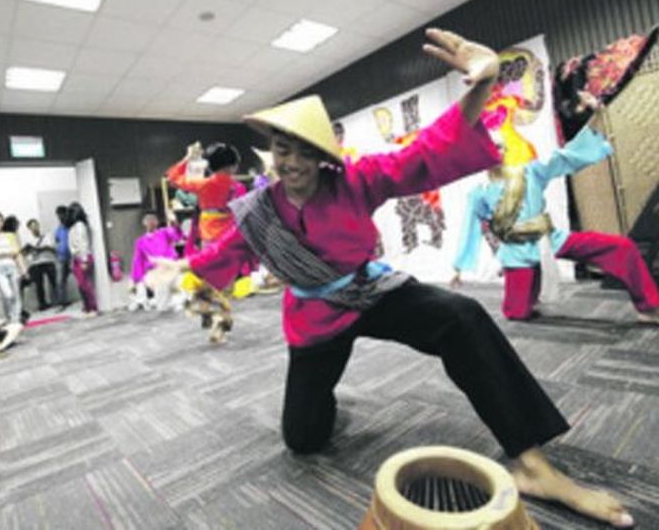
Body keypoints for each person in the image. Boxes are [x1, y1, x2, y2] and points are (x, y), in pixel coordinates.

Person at [151, 29, 634, 528]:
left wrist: (481, 85)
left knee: (461, 316)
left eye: (301, 150)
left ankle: (533, 464)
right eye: (281, 150)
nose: (291, 162)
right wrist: (183, 267)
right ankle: (324, 402)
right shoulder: (258, 210)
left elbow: (424, 153)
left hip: (370, 291)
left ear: (321, 154)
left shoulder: (356, 181)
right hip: (315, 319)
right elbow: (229, 250)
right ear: (272, 154)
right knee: (303, 438)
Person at [451, 91, 659, 324]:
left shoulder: (530, 172)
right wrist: (458, 267)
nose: (496, 152)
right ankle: (530, 292)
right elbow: (470, 227)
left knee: (622, 247)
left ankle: (648, 306)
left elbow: (565, 156)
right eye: (489, 149)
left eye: (500, 147)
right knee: (517, 314)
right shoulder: (479, 192)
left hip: (548, 240)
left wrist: (591, 115)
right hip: (517, 252)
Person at [166, 142, 249, 342]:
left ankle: (209, 312)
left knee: (207, 281)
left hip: (208, 240)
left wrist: (187, 158)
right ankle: (217, 320)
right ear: (233, 166)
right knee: (223, 286)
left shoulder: (203, 185)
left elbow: (173, 177)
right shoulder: (238, 187)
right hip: (229, 241)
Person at [128, 212, 185, 312]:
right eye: (148, 221)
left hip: (170, 265)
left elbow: (178, 236)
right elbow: (138, 259)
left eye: (153, 220)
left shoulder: (164, 232)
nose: (151, 223)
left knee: (177, 286)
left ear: (157, 222)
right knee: (162, 304)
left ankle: (179, 303)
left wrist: (174, 222)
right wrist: (136, 277)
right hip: (157, 271)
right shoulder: (141, 241)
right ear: (144, 223)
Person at [0, 212, 26, 325]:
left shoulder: (10, 235)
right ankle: (9, 318)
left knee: (16, 294)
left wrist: (23, 269)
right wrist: (6, 252)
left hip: (12, 266)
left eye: (1, 220)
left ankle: (15, 320)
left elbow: (16, 253)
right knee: (7, 294)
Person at [66, 202, 98, 317]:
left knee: (84, 284)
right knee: (81, 285)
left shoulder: (79, 225)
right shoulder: (73, 226)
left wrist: (84, 260)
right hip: (76, 258)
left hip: (82, 257)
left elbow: (83, 243)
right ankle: (87, 307)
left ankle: (92, 308)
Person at [23, 219, 58, 311]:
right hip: (35, 263)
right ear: (29, 228)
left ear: (39, 225)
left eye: (36, 225)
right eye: (32, 226)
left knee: (55, 282)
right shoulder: (27, 239)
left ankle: (59, 300)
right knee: (39, 285)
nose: (34, 227)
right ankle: (42, 304)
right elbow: (24, 253)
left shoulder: (46, 236)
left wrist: (44, 248)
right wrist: (29, 250)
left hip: (48, 260)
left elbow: (54, 248)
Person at [54, 206, 72, 309]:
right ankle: (62, 303)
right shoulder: (59, 228)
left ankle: (86, 301)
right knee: (60, 281)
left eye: (62, 214)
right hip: (61, 257)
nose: (60, 217)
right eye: (58, 215)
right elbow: (57, 240)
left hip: (72, 256)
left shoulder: (71, 226)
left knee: (80, 279)